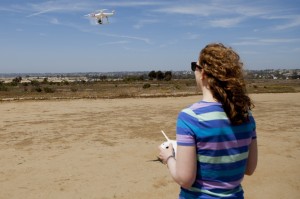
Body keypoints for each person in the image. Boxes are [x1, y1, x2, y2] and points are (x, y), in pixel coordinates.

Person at [158, 43, 258, 199]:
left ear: (202, 72)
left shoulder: (190, 117)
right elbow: (250, 168)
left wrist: (169, 157)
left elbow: (185, 180)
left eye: (194, 66)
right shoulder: (246, 115)